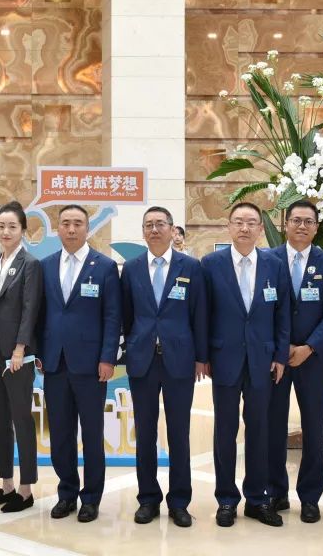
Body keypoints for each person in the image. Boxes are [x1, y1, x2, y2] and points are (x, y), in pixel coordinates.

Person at [201, 201, 291, 528]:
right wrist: (203, 355)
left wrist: (280, 355)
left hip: (262, 361)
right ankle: (226, 499)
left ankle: (256, 498)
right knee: (225, 432)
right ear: (228, 226)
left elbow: (283, 313)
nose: (244, 228)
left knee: (260, 431)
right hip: (223, 359)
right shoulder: (211, 264)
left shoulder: (274, 265)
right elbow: (202, 313)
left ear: (260, 229)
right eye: (238, 221)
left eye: (251, 222)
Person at [121, 206, 207, 528]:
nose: (154, 229)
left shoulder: (191, 267)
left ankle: (179, 501)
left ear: (173, 230)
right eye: (149, 225)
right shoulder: (131, 269)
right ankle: (148, 499)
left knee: (179, 434)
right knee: (144, 434)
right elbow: (126, 315)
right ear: (143, 232)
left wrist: (201, 357)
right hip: (143, 360)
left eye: (160, 224)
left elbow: (199, 314)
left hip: (179, 361)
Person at [38, 204, 121, 523]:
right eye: (65, 223)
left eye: (77, 223)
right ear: (57, 228)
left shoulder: (104, 267)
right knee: (60, 434)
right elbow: (40, 314)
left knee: (91, 434)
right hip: (55, 363)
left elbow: (112, 316)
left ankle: (91, 498)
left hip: (91, 365)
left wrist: (108, 357)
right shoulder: (45, 266)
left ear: (87, 228)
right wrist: (40, 352)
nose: (71, 229)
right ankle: (67, 493)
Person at [267, 200, 323, 523]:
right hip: (277, 359)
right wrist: (281, 348)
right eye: (296, 220)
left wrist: (309, 347)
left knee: (314, 427)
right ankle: (276, 491)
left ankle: (310, 497)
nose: (301, 226)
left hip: (313, 359)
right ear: (285, 224)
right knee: (273, 426)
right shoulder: (268, 260)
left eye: (308, 221)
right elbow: (263, 307)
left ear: (316, 227)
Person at [0, 201, 42, 513]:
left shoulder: (30, 264)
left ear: (23, 230)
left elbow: (30, 310)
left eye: (12, 227)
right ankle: (6, 484)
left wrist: (20, 349)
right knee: (0, 418)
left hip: (17, 354)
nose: (6, 232)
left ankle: (26, 488)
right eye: (1, 226)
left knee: (21, 418)